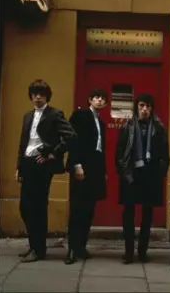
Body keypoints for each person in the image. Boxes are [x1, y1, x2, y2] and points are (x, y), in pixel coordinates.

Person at [16, 79, 76, 263]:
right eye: (35, 94)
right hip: (27, 163)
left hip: (41, 164)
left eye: (41, 94)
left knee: (38, 207)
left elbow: (71, 136)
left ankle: (39, 249)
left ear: (47, 96)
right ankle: (34, 245)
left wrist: (52, 153)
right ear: (31, 97)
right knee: (25, 207)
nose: (38, 98)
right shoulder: (28, 116)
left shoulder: (54, 114)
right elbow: (23, 142)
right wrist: (18, 167)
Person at [115, 93, 170, 264]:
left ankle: (143, 252)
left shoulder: (159, 127)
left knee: (147, 216)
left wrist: (159, 173)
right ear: (136, 107)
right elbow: (120, 153)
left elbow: (164, 154)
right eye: (141, 106)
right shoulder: (127, 126)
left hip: (150, 175)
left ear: (151, 108)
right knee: (128, 215)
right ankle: (129, 252)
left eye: (148, 106)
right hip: (131, 175)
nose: (144, 110)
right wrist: (124, 172)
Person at [64, 88, 108, 265]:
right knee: (77, 208)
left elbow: (101, 149)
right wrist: (76, 164)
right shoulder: (81, 115)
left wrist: (103, 172)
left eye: (102, 99)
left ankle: (82, 246)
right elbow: (72, 140)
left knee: (89, 209)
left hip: (95, 169)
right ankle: (72, 249)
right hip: (81, 167)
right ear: (90, 99)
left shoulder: (101, 123)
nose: (99, 101)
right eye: (96, 97)